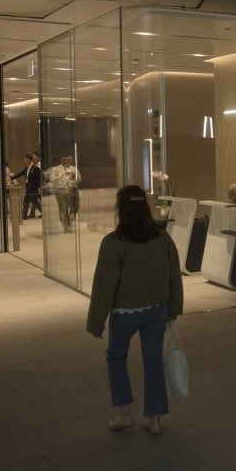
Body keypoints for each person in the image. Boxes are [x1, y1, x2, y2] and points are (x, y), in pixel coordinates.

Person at [86, 184, 184, 435]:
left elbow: (104, 285)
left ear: (120, 209)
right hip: (157, 310)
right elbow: (174, 275)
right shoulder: (162, 238)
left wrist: (96, 321)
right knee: (153, 361)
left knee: (116, 358)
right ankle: (154, 418)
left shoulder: (113, 243)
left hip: (124, 313)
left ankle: (124, 413)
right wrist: (175, 306)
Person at [44, 155, 80, 232]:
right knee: (63, 208)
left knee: (74, 208)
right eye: (63, 159)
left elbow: (79, 179)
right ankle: (65, 226)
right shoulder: (55, 169)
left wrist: (75, 177)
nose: (65, 161)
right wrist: (61, 175)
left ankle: (69, 222)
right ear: (60, 160)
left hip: (71, 190)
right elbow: (52, 179)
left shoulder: (73, 168)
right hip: (59, 190)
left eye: (67, 159)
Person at [11, 153, 42, 218]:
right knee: (27, 202)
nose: (24, 161)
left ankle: (24, 215)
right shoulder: (26, 168)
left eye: (25, 159)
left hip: (34, 188)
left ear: (29, 160)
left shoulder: (35, 168)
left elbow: (38, 179)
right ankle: (24, 215)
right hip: (28, 188)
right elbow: (20, 174)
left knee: (34, 202)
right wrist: (11, 178)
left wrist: (39, 188)